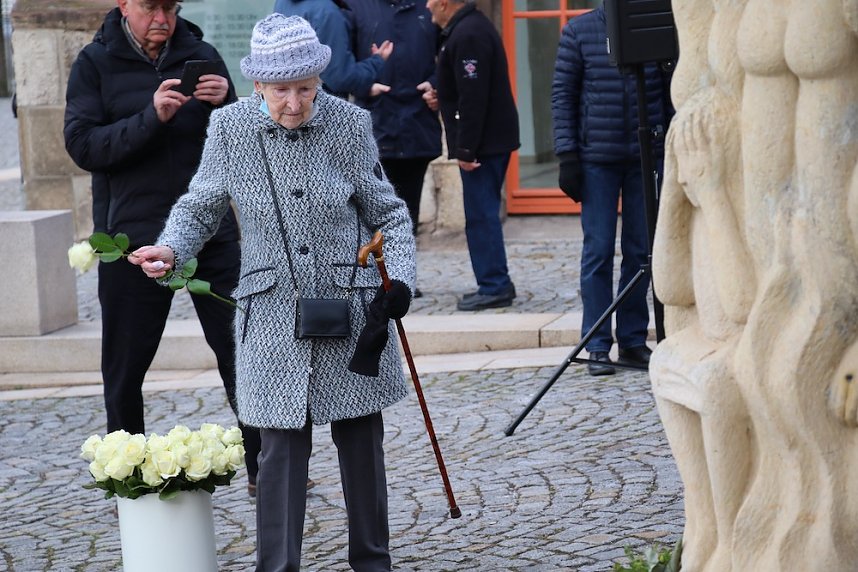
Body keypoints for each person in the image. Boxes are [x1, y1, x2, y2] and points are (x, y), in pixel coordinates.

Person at [129, 14, 416, 571]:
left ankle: (373, 562)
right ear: (258, 84)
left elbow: (391, 216)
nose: (294, 102)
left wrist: (399, 279)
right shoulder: (229, 129)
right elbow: (201, 204)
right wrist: (170, 249)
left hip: (351, 306)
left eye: (305, 88)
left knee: (361, 442)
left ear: (318, 80)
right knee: (279, 448)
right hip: (272, 311)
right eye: (281, 90)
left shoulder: (350, 124)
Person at [63, 0, 261, 493]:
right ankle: (125, 475)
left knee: (243, 350)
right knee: (126, 367)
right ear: (124, 5)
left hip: (210, 234)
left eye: (170, 8)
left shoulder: (202, 53)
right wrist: (151, 116)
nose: (163, 19)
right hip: (131, 239)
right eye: (151, 7)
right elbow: (83, 146)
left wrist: (226, 107)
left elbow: (241, 145)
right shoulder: (94, 63)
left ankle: (266, 467)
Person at [551, 4, 672, 375]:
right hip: (595, 160)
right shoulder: (580, 31)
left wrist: (668, 146)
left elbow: (667, 95)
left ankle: (633, 341)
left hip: (643, 156)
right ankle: (597, 343)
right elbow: (563, 96)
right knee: (599, 251)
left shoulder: (651, 30)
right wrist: (568, 155)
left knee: (640, 253)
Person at [427, 0, 519, 311]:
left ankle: (495, 285)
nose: (426, 7)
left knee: (481, 217)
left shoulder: (468, 33)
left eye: (430, 2)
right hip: (489, 141)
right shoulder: (467, 28)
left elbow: (474, 97)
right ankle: (493, 282)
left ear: (444, 4)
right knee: (480, 215)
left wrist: (466, 149)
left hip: (485, 145)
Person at [349, 0, 442, 296]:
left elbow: (452, 52)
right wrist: (364, 85)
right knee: (370, 210)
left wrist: (436, 84)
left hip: (417, 124)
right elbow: (341, 61)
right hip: (376, 124)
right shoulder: (356, 7)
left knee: (408, 208)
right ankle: (377, 276)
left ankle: (403, 278)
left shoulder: (428, 7)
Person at [274, 0, 393, 99]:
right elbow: (340, 78)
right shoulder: (326, 12)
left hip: (287, 103)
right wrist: (377, 62)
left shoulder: (283, 2)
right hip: (320, 111)